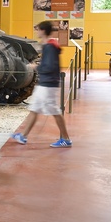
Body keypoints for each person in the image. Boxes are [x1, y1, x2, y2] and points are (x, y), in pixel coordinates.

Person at [11, 20, 72, 148]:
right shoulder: (49, 45)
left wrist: (36, 67)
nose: (37, 31)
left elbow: (50, 66)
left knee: (54, 111)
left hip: (48, 83)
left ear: (43, 31)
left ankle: (66, 139)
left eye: (38, 29)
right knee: (34, 108)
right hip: (45, 82)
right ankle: (23, 136)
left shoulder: (50, 46)